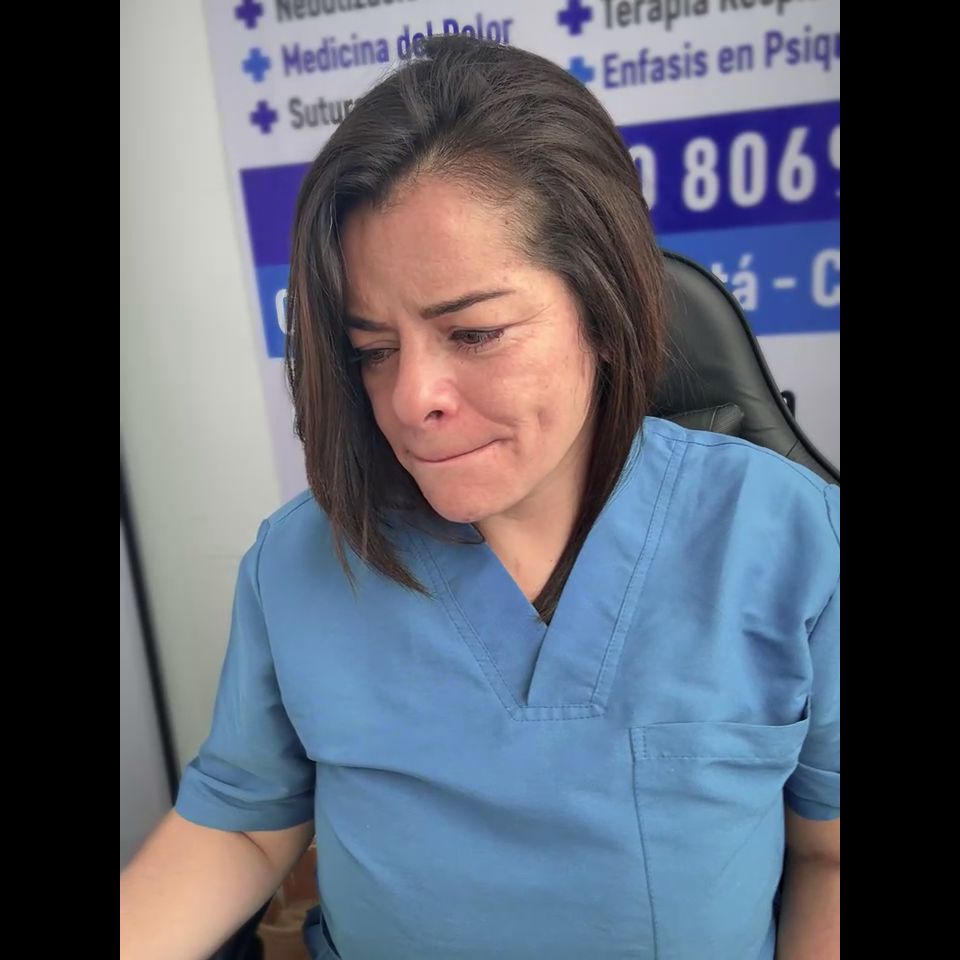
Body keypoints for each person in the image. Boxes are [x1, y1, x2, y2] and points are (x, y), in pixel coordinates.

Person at [120, 35, 839, 960]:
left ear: (605, 310)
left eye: (474, 333)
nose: (409, 399)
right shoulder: (300, 561)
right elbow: (244, 827)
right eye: (373, 350)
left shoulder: (785, 539)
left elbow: (828, 852)